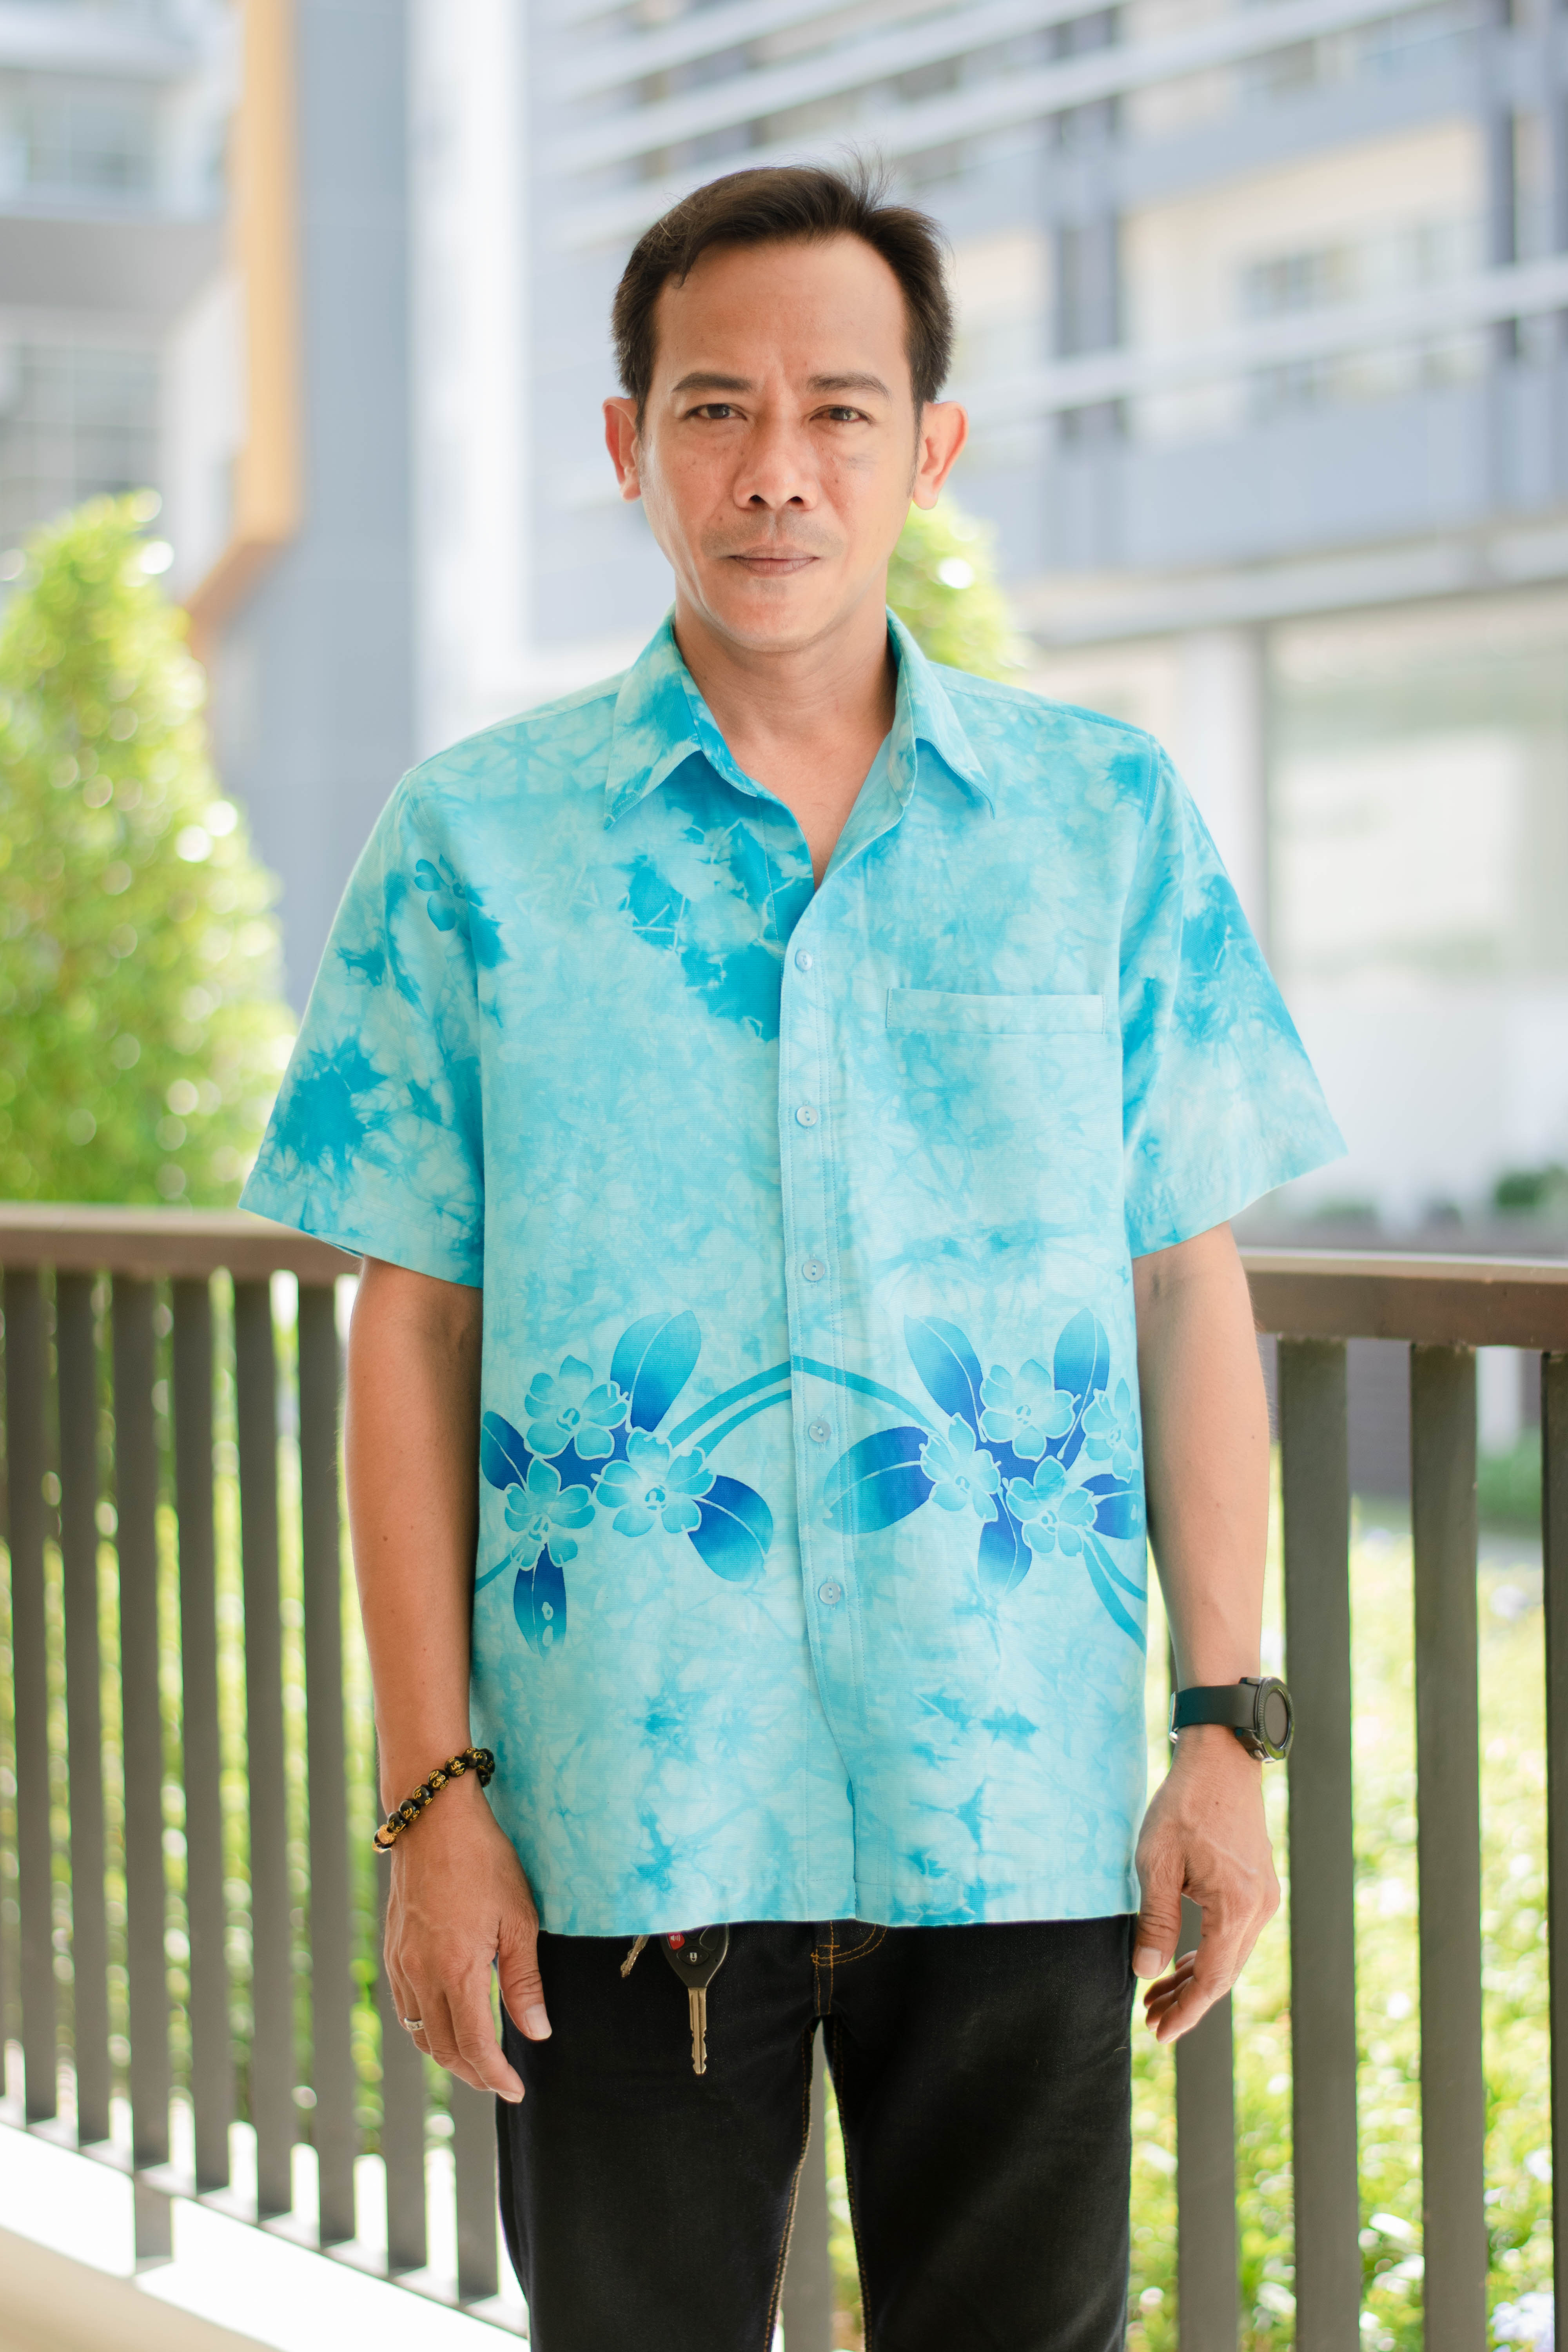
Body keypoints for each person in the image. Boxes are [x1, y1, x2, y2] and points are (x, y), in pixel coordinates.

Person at [243, 162, 1342, 2350]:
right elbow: (411, 1332)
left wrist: (1228, 1728)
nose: (777, 470)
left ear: (931, 447)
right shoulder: (471, 846)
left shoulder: (1102, 819)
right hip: (615, 1823)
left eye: (841, 410)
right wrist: (433, 1799)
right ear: (628, 443)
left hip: (1016, 1806)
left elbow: (1182, 1280)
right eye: (716, 407)